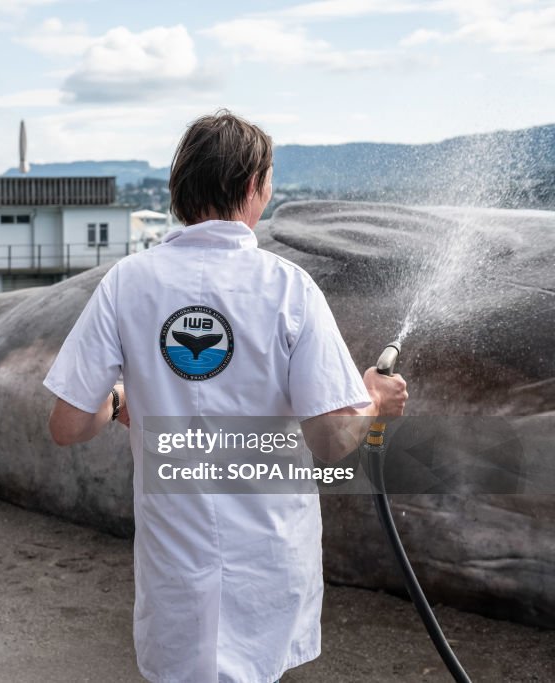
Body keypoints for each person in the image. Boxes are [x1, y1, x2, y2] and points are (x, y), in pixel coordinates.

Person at [43, 110, 407, 683]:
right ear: (251, 188)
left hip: (175, 568)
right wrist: (374, 402)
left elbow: (66, 425)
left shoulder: (126, 282)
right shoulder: (289, 287)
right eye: (268, 180)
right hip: (268, 561)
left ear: (181, 189)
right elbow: (334, 440)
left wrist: (117, 402)